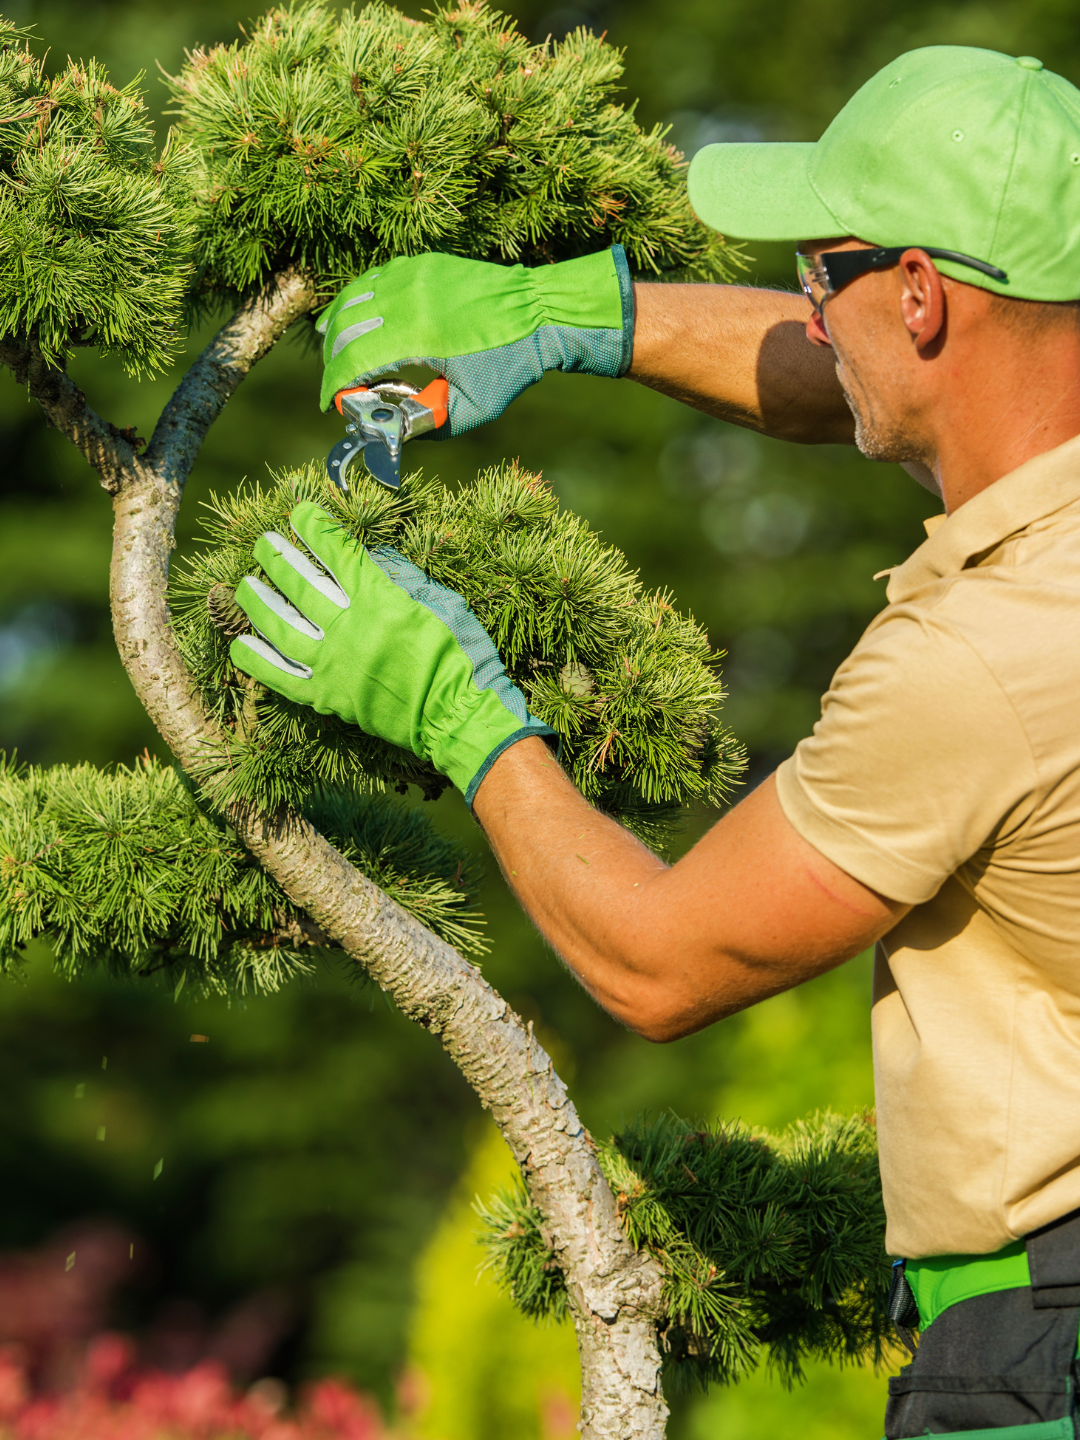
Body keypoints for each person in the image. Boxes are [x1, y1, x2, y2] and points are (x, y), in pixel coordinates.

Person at [232, 45, 1080, 1439]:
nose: (809, 313)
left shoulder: (987, 660)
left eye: (825, 274)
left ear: (922, 293)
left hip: (1040, 1354)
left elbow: (661, 958)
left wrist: (463, 708)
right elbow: (888, 382)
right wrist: (570, 315)